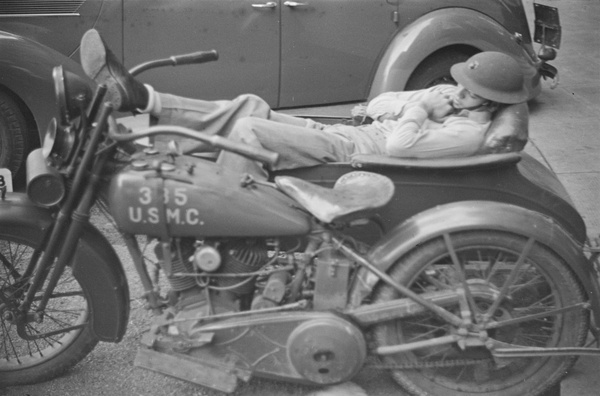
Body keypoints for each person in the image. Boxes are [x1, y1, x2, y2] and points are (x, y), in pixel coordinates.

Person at [80, 29, 528, 179]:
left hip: (356, 154)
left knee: (249, 134)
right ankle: (143, 100)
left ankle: (223, 218)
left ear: (488, 102)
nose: (456, 88)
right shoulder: (453, 106)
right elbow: (379, 104)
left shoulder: (465, 132)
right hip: (348, 134)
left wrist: (421, 109)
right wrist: (421, 100)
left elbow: (398, 148)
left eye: (467, 89)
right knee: (251, 106)